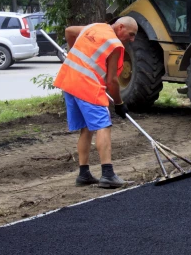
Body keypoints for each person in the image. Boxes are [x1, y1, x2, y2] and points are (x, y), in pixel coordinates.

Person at [53, 16, 138, 187]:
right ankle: (107, 174)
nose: (132, 39)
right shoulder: (114, 44)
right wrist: (119, 103)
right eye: (130, 34)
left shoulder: (95, 27)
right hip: (87, 85)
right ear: (120, 27)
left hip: (69, 81)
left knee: (86, 128)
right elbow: (112, 81)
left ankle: (84, 174)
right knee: (103, 126)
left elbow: (69, 31)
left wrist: (71, 52)